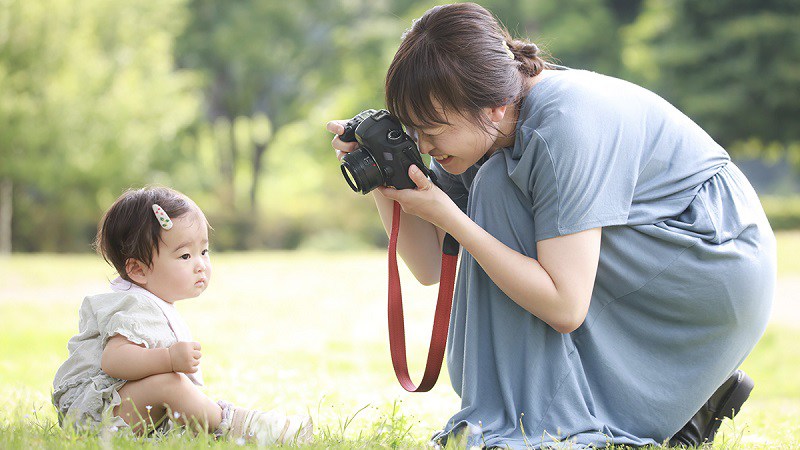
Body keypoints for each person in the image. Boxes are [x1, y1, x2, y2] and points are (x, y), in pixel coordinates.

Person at [327, 3, 775, 448]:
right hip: (658, 248)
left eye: (433, 129)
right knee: (497, 186)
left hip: (712, 258)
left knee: (499, 187)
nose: (424, 145)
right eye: (413, 130)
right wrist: (384, 177)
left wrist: (455, 220)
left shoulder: (562, 126)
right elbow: (428, 265)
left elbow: (564, 306)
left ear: (496, 106)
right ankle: (680, 397)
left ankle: (543, 425)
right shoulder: (479, 134)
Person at [52, 186, 313, 445]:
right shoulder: (134, 304)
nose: (200, 264)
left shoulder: (151, 301)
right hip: (95, 414)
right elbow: (114, 360)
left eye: (204, 252)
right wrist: (168, 358)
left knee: (176, 387)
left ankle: (224, 423)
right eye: (185, 255)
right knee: (169, 384)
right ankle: (241, 425)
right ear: (138, 270)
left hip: (120, 407)